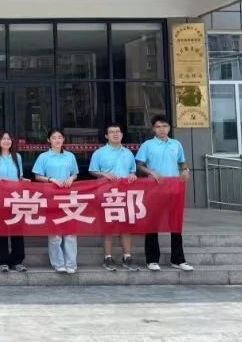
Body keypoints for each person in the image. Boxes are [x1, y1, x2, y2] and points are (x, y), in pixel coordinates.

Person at [136, 115, 194, 272]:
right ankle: (152, 259)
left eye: (164, 126)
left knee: (175, 223)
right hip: (154, 189)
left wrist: (186, 170)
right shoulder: (147, 145)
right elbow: (139, 165)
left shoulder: (176, 144)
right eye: (158, 126)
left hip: (173, 188)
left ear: (169, 128)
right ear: (153, 129)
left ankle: (178, 259)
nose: (161, 129)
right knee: (152, 223)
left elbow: (182, 162)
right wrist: (151, 172)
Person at [89, 122, 140, 272]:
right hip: (106, 194)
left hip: (125, 194)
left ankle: (127, 257)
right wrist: (104, 174)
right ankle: (108, 257)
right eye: (112, 132)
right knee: (108, 226)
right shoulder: (99, 153)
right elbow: (92, 171)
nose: (115, 134)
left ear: (122, 134)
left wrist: (133, 175)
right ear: (106, 136)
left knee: (126, 226)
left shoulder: (128, 153)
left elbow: (132, 171)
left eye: (118, 131)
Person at [32, 128, 79, 274]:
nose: (57, 140)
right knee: (55, 232)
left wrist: (71, 178)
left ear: (63, 139)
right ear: (49, 140)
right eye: (54, 137)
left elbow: (75, 173)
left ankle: (71, 263)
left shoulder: (70, 156)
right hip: (51, 197)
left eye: (60, 137)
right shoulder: (43, 157)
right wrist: (51, 179)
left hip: (68, 197)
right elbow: (37, 176)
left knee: (70, 232)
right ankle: (58, 263)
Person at [0, 131, 28, 273]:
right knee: (1, 230)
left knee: (17, 229)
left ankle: (17, 260)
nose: (6, 141)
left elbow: (19, 177)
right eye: (3, 138)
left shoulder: (17, 157)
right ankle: (4, 260)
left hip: (16, 198)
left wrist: (24, 181)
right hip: (0, 199)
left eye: (9, 139)